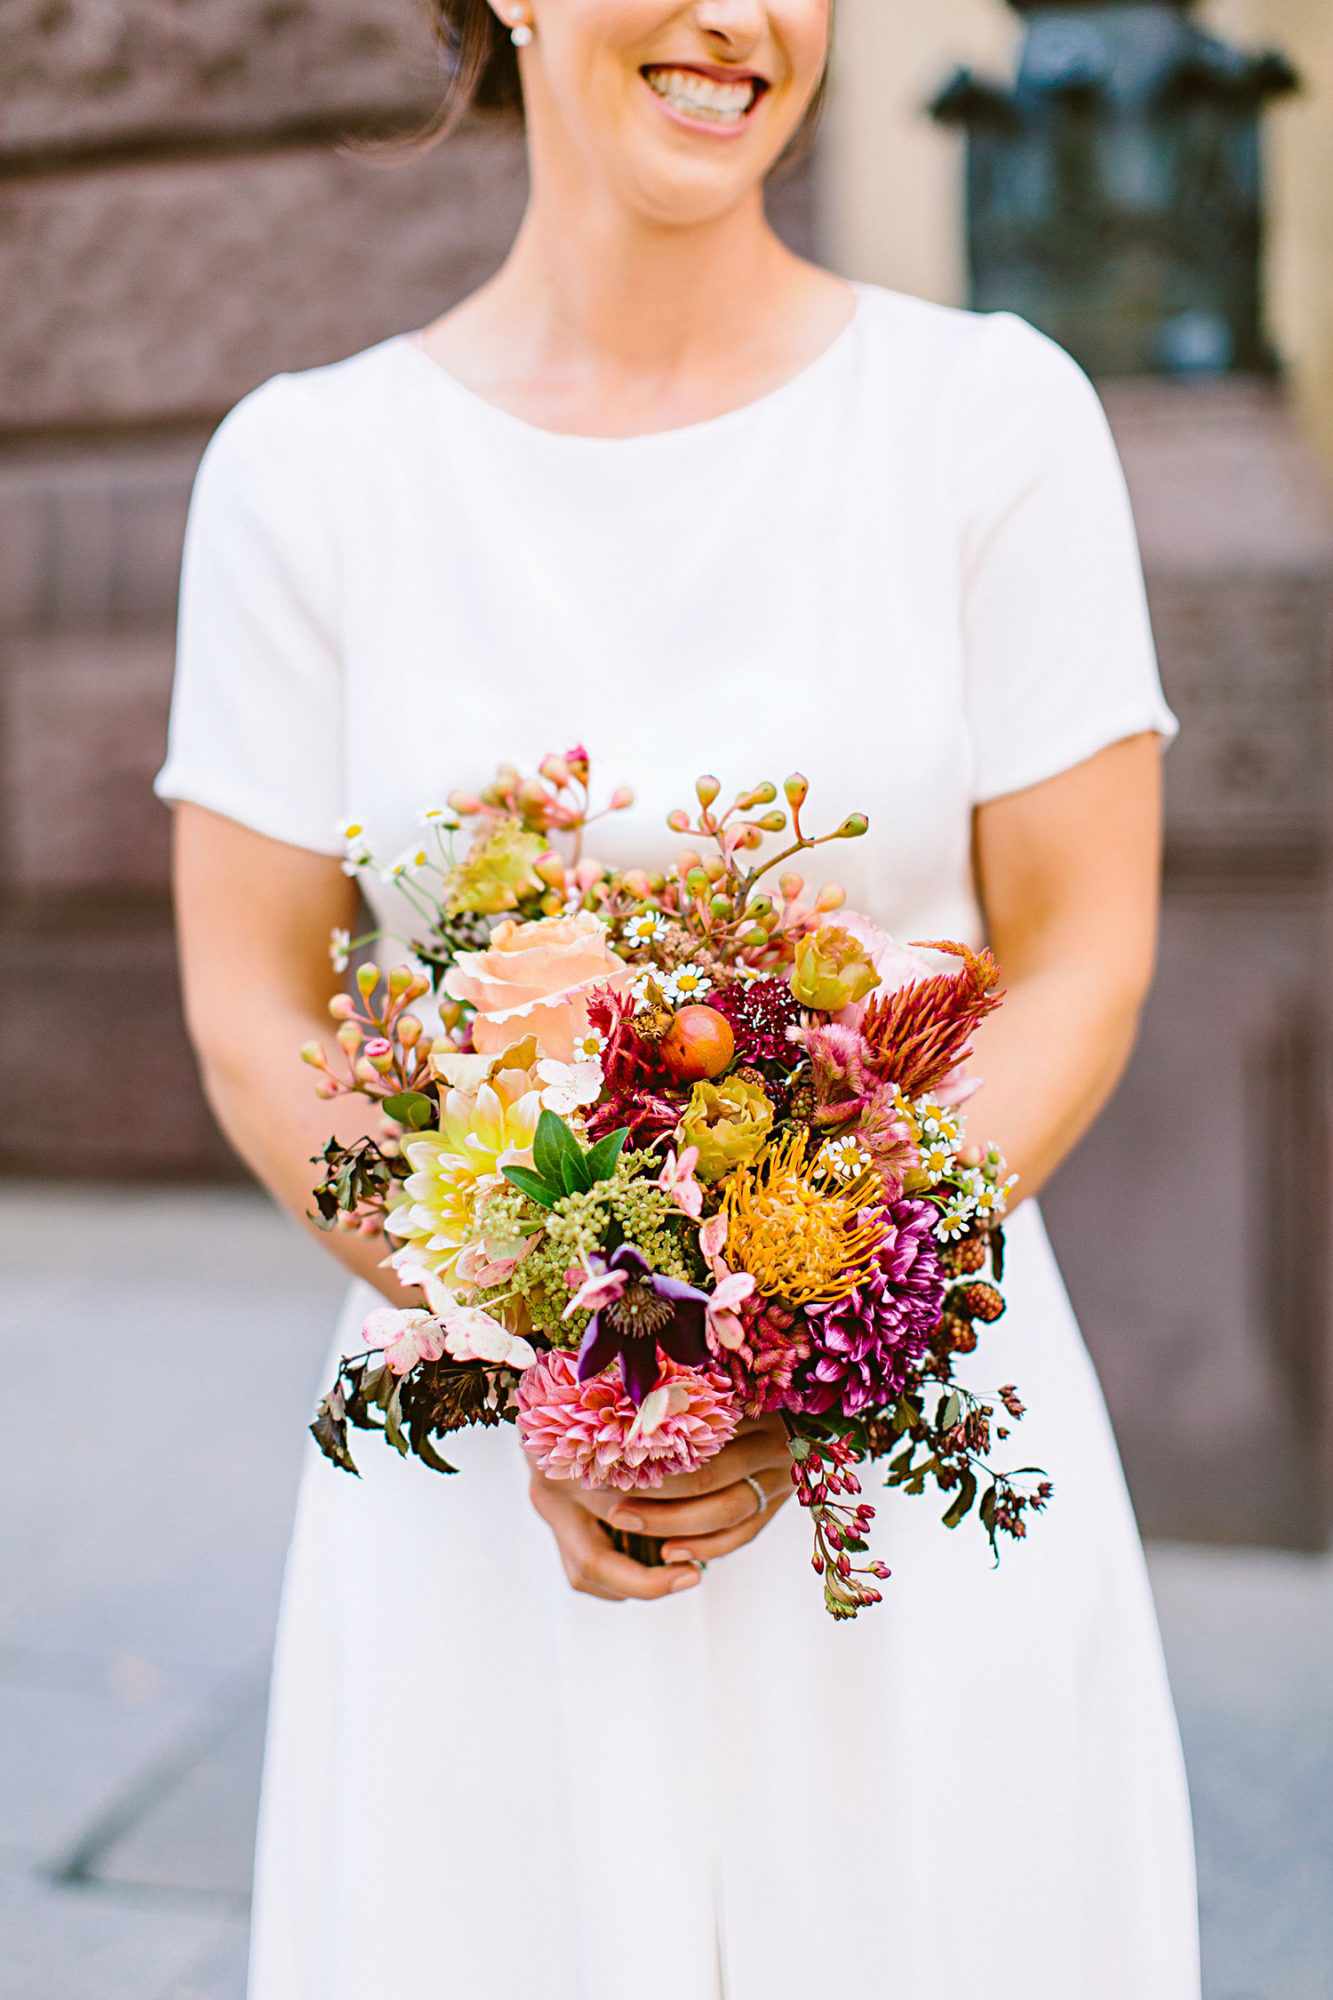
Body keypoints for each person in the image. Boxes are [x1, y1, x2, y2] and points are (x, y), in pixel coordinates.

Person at [154, 0, 1201, 1992]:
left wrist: (796, 1331)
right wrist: (555, 1345)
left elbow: (1083, 953)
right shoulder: (312, 469)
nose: (742, 20)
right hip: (479, 1465)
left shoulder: (991, 420)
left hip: (910, 1453)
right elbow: (251, 1000)